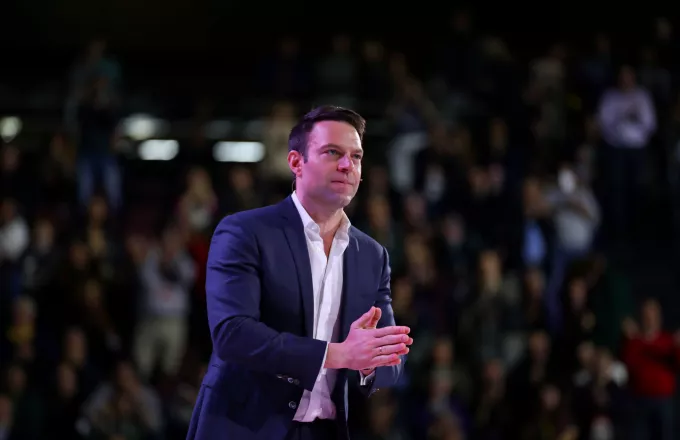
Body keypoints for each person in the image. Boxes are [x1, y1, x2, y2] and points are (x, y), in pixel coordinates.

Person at [186, 105, 413, 440]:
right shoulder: (244, 232)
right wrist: (336, 354)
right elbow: (232, 333)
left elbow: (390, 361)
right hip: (243, 428)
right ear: (296, 162)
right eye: (332, 152)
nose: (347, 165)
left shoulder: (372, 256)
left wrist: (367, 361)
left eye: (356, 156)